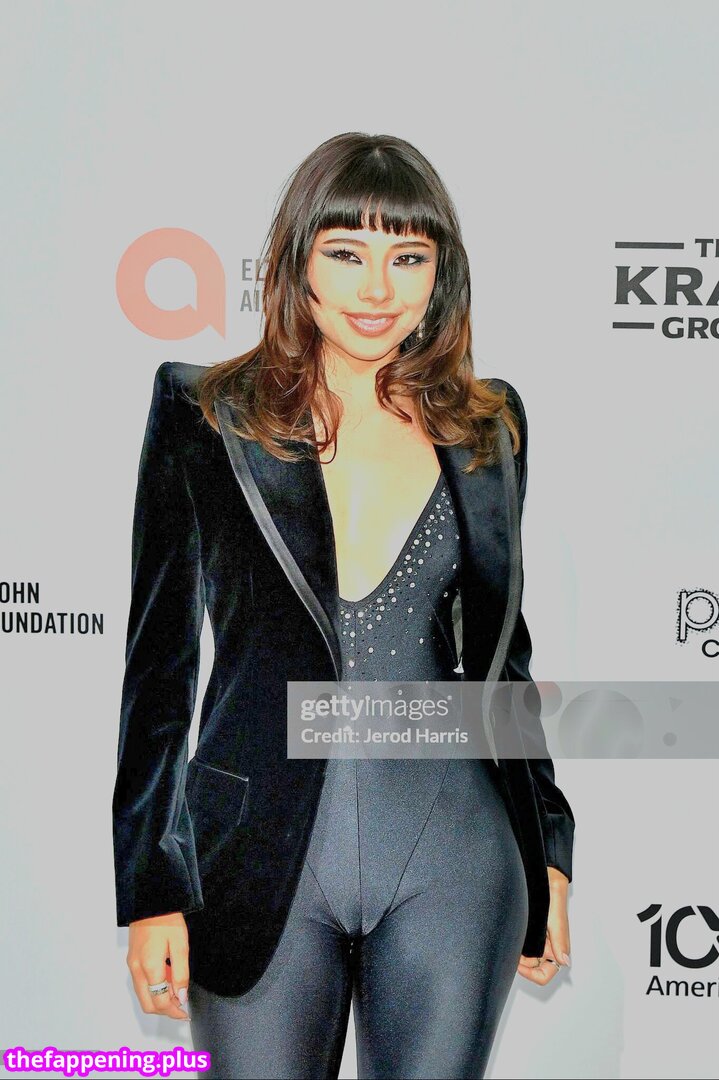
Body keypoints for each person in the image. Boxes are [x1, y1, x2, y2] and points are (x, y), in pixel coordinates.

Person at [112, 132, 575, 1080]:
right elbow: (158, 670)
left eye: (407, 258)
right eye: (346, 252)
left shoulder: (488, 426)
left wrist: (550, 851)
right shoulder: (206, 411)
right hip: (256, 860)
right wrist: (151, 884)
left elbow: (503, 655)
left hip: (455, 851)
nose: (376, 289)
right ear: (297, 261)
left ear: (440, 274)